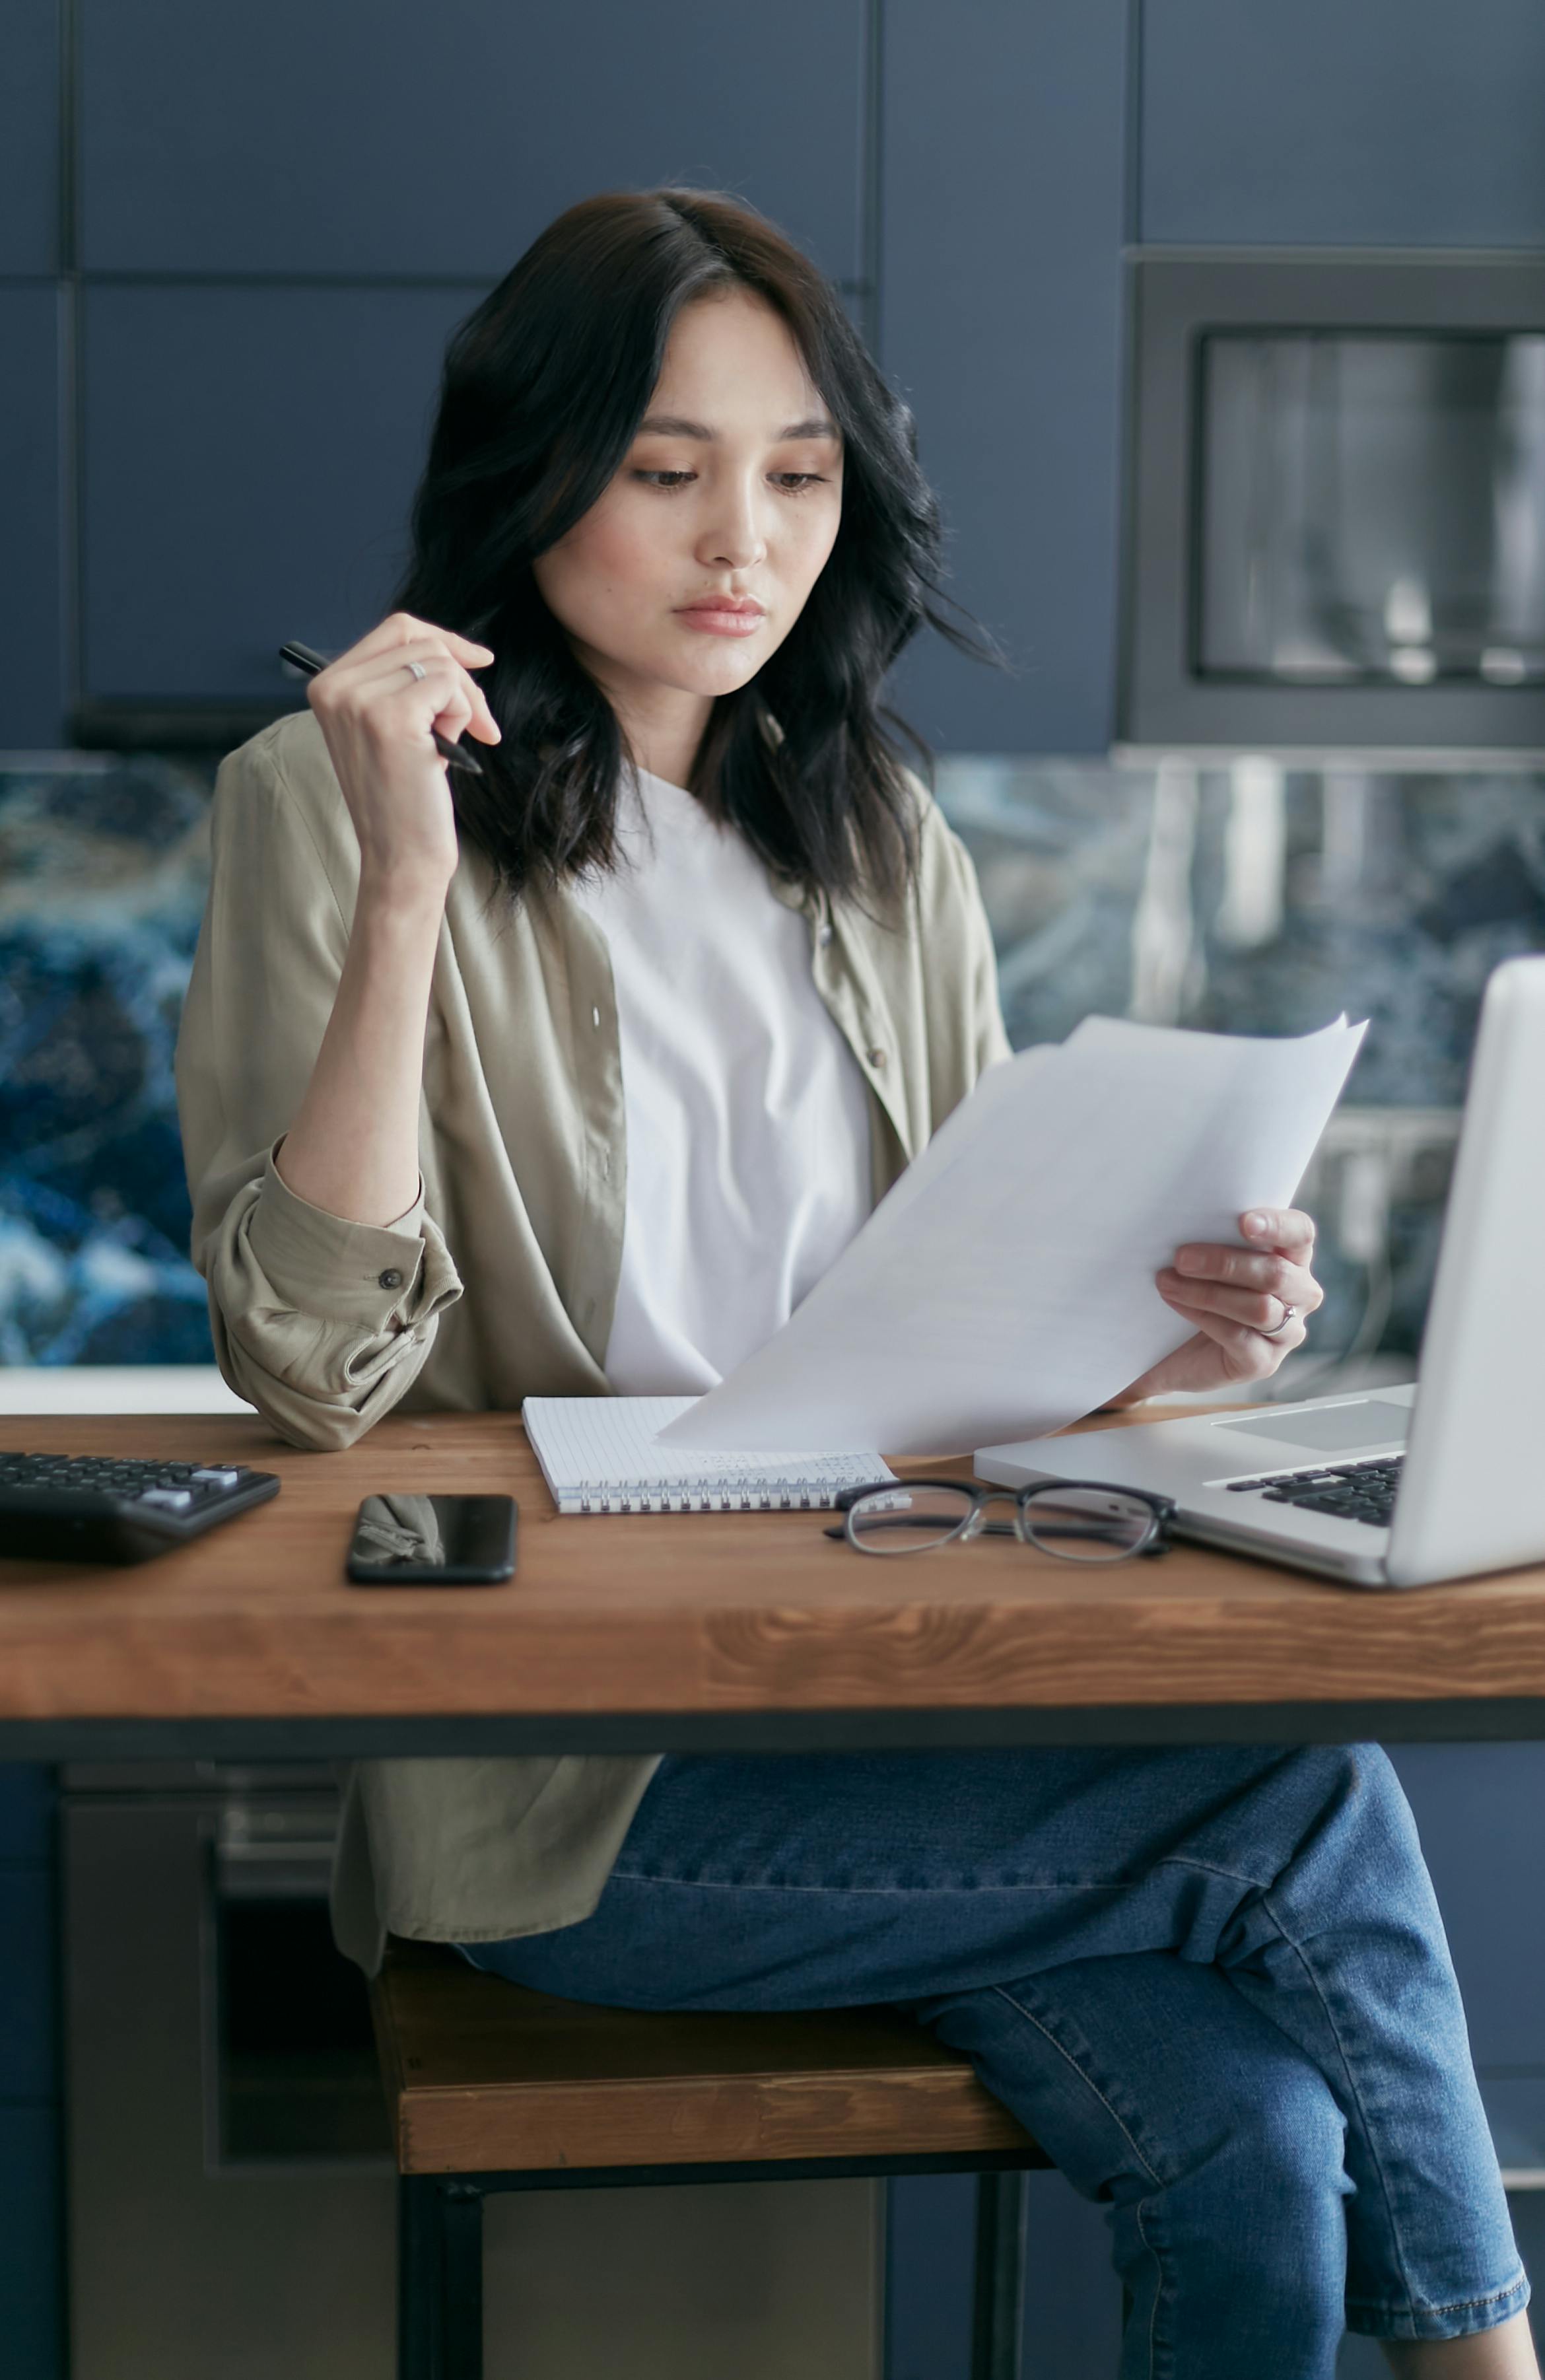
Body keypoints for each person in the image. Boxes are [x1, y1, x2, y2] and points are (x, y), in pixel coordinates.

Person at [175, 190, 1533, 2377]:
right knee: (1296, 1787)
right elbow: (314, 1376)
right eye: (664, 467)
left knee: (1258, 2134)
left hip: (915, 1710)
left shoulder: (878, 828)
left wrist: (1159, 1338)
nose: (745, 541)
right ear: (532, 473)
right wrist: (409, 884)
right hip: (588, 1803)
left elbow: (964, 1331)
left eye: (798, 475)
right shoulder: (320, 804)